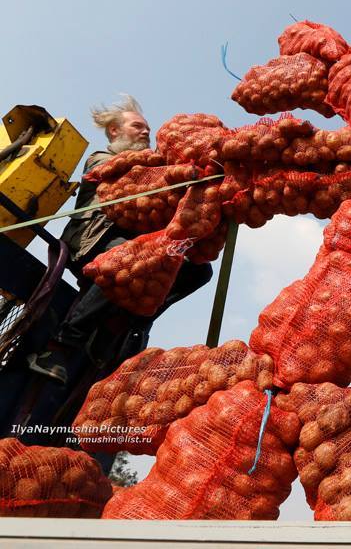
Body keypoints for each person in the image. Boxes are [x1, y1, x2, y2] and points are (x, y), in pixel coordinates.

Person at [26, 94, 213, 385]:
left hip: (136, 252)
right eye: (138, 126)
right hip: (91, 244)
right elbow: (130, 173)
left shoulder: (154, 170)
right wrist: (175, 165)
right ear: (114, 131)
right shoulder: (103, 159)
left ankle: (134, 317)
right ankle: (58, 347)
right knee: (136, 256)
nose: (146, 132)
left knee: (198, 270)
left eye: (148, 129)